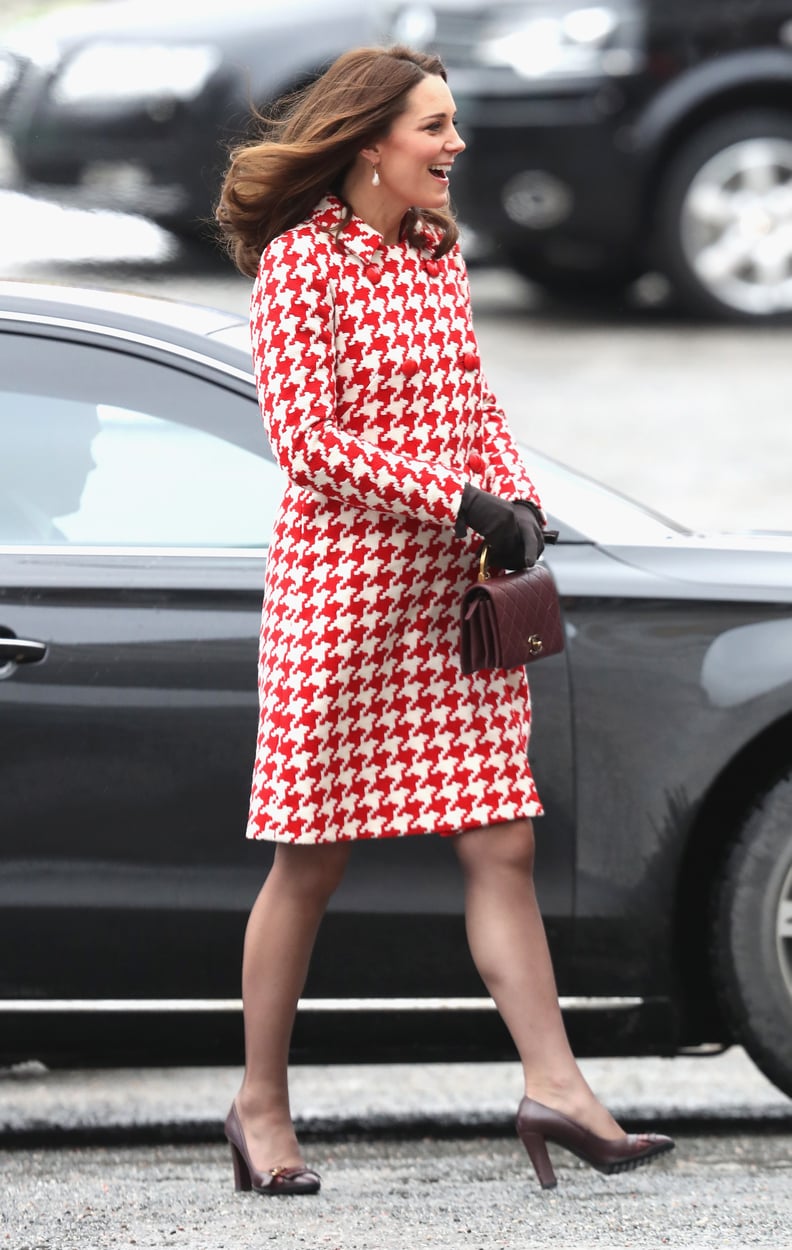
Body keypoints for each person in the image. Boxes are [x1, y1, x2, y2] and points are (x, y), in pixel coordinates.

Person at [215, 44, 674, 1195]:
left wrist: (515, 494)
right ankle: (258, 1102)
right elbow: (306, 440)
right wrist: (454, 496)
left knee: (502, 838)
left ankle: (557, 1085)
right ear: (370, 139)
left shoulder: (435, 252)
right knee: (308, 858)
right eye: (434, 126)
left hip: (448, 596)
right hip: (343, 597)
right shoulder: (298, 262)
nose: (455, 145)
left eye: (453, 124)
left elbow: (471, 399)